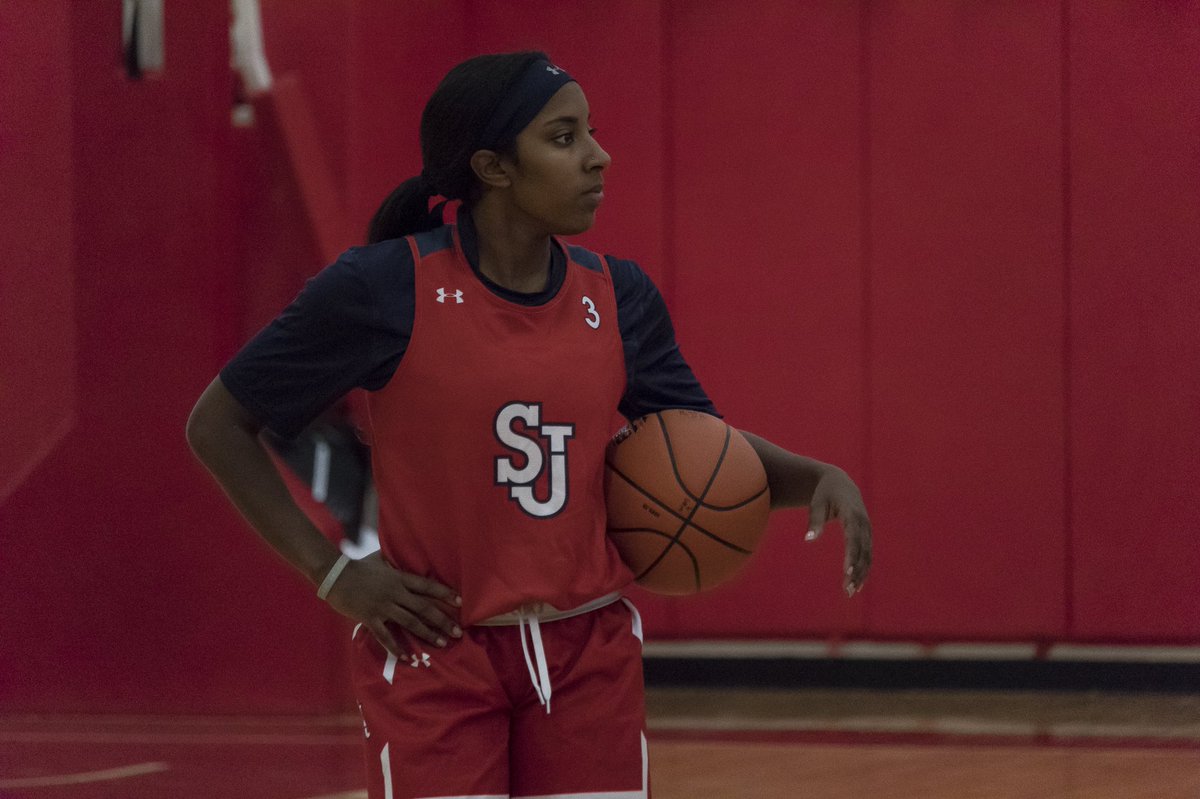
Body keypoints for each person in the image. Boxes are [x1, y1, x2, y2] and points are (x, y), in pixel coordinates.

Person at [186, 51, 872, 799]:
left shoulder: (619, 296)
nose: (598, 157)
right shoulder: (384, 288)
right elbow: (218, 424)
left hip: (588, 656)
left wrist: (816, 478)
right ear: (493, 167)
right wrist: (335, 575)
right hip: (438, 652)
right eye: (564, 138)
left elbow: (704, 457)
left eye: (591, 133)